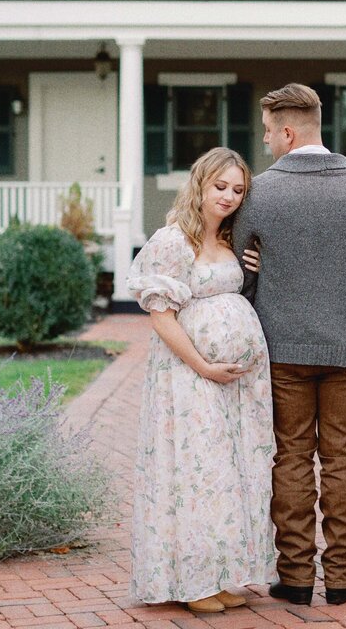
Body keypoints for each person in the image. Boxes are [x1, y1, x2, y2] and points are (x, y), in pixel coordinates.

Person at [232, 83, 346, 607]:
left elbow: (239, 280)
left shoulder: (258, 194)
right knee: (344, 458)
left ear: (287, 131)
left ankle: (297, 577)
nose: (265, 144)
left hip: (283, 351)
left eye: (267, 133)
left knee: (291, 458)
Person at [126, 147, 274, 614]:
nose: (229, 196)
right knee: (198, 471)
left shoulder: (231, 240)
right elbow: (162, 317)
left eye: (238, 189)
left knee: (230, 474)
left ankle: (223, 573)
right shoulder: (173, 240)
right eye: (220, 186)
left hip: (237, 386)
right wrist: (204, 366)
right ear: (200, 184)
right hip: (190, 378)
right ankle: (193, 582)